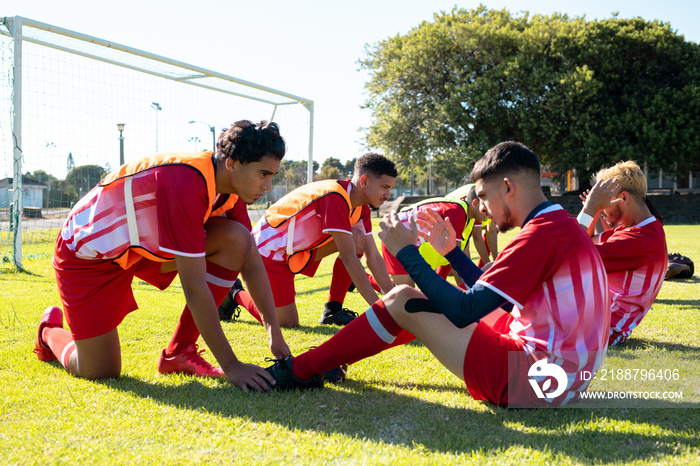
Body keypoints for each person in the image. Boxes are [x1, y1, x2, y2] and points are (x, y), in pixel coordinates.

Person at [263, 141, 611, 407]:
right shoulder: (558, 225)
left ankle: (299, 370)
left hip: (532, 382)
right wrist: (454, 254)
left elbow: (465, 311)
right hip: (563, 380)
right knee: (427, 300)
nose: (484, 208)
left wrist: (406, 253)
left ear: (508, 187)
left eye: (483, 196)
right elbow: (495, 300)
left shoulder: (541, 234)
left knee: (403, 298)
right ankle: (325, 362)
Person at [34, 120, 290, 393]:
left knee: (237, 240)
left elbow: (249, 258)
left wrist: (274, 331)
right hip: (88, 255)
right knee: (100, 371)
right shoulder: (187, 182)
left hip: (141, 249)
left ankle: (179, 352)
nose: (269, 185)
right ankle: (49, 333)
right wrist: (232, 365)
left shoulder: (232, 191)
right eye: (263, 174)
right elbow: (194, 288)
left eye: (272, 175)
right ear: (232, 163)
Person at [222, 153, 397, 328]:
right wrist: (380, 312)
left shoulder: (361, 208)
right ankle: (235, 293)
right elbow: (349, 258)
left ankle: (333, 310)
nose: (388, 194)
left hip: (297, 251)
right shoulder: (335, 196)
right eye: (384, 187)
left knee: (357, 237)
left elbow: (373, 256)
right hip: (269, 250)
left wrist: (394, 301)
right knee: (285, 323)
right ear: (364, 181)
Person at [576, 161, 668, 346]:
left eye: (604, 199)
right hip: (593, 320)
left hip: (598, 329)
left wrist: (590, 209)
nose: (601, 205)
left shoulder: (640, 240)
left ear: (623, 198)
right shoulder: (642, 229)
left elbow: (570, 252)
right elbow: (586, 241)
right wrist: (596, 211)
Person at [381, 184, 489, 287]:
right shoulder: (457, 213)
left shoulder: (465, 215)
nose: (490, 214)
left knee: (407, 295)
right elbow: (457, 261)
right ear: (475, 203)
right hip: (396, 235)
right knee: (405, 296)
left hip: (405, 238)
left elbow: (460, 257)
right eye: (486, 209)